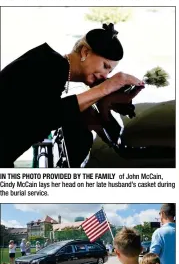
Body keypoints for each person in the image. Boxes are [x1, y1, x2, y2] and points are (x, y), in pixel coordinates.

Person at [0, 23, 144, 167]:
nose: (105, 75)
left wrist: (104, 92)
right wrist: (105, 88)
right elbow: (49, 116)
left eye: (110, 72)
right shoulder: (50, 66)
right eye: (105, 66)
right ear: (85, 52)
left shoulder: (50, 62)